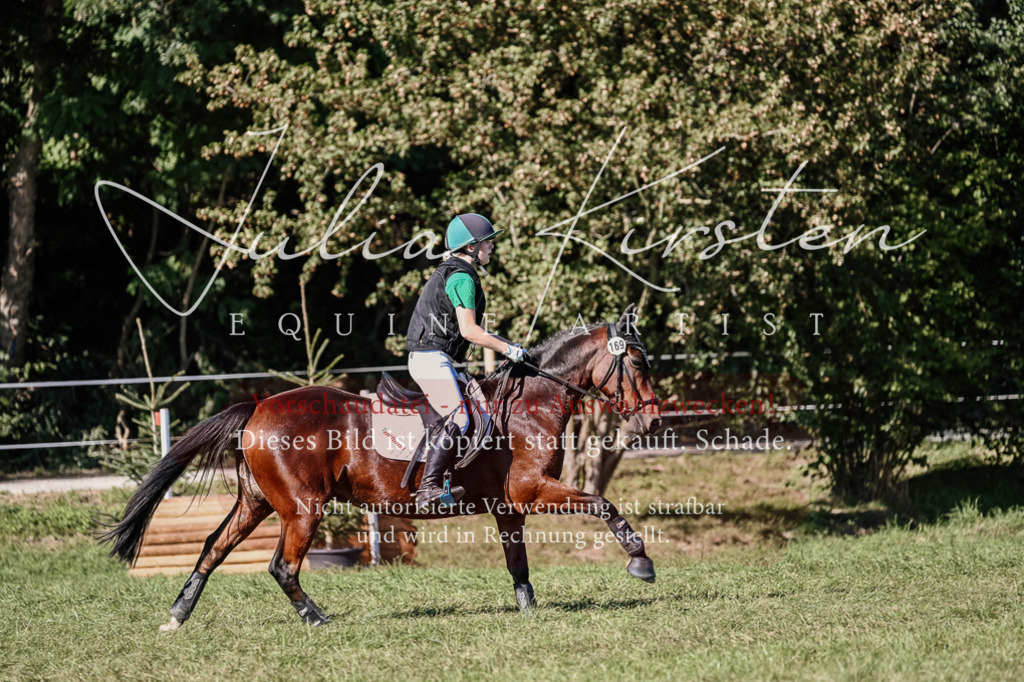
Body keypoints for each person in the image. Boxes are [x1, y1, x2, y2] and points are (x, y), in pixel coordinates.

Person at [406, 213, 527, 510]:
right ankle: (428, 488)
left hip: (439, 358)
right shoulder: (461, 276)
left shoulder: (460, 272)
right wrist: (507, 351)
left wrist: (508, 344)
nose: (492, 248)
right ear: (472, 248)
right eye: (488, 243)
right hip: (430, 358)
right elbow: (470, 331)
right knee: (458, 417)